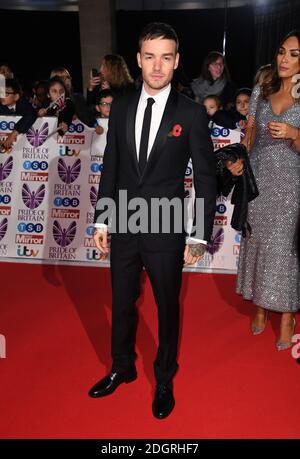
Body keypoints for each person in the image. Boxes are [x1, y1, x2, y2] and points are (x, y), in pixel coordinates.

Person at [89, 22, 217, 419]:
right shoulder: (123, 104)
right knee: (122, 301)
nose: (157, 66)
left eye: (166, 57)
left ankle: (164, 378)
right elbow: (111, 164)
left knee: (166, 307)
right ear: (138, 60)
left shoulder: (192, 114)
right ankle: (122, 366)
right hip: (124, 222)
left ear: (177, 61)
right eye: (149, 57)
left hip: (166, 225)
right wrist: (102, 220)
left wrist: (197, 235)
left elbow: (207, 178)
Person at [229, 30, 300, 350]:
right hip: (258, 179)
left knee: (283, 247)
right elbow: (250, 135)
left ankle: (286, 316)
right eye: (282, 52)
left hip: (291, 180)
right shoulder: (261, 90)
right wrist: (240, 161)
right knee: (257, 241)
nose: (284, 59)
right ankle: (259, 305)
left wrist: (294, 132)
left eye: (294, 55)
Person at [0, 78, 37, 150]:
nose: (2, 96)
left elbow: (31, 114)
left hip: (22, 147)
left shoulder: (22, 103)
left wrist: (14, 134)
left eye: (6, 93)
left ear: (16, 96)